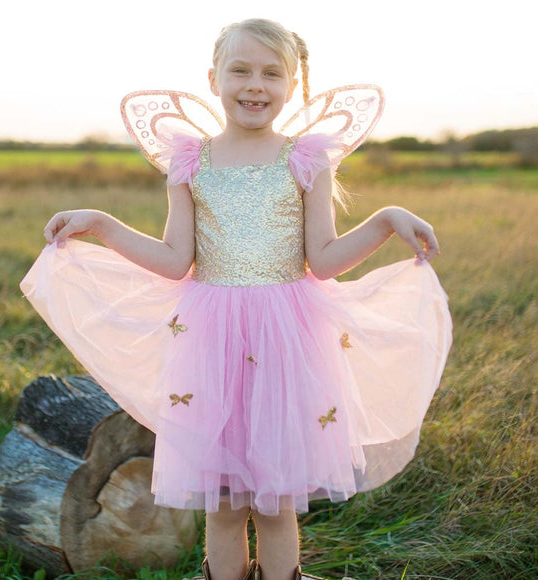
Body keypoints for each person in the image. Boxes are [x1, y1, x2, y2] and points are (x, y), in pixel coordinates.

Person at [22, 18, 452, 580]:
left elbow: (322, 259)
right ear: (214, 78)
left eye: (273, 73)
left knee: (274, 506)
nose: (256, 84)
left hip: (287, 338)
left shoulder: (306, 158)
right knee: (223, 505)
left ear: (292, 87)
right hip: (211, 341)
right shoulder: (190, 160)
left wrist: (386, 219)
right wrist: (101, 223)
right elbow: (177, 260)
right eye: (241, 70)